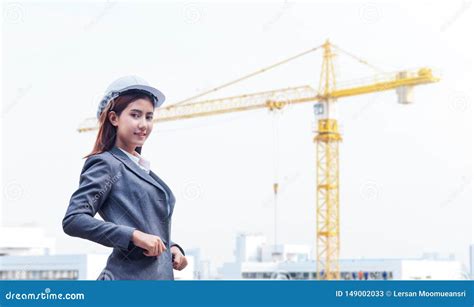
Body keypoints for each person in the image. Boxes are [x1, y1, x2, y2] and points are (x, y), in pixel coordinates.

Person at [62, 76, 187, 280]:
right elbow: (74, 219)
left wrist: (171, 248)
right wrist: (133, 236)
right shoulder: (106, 163)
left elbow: (148, 225)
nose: (143, 124)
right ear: (114, 118)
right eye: (135, 115)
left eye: (149, 117)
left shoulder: (141, 168)